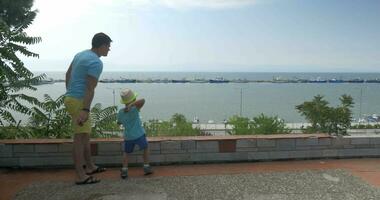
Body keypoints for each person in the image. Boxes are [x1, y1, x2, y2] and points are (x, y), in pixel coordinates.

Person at [64, 32, 112, 185]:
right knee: (79, 138)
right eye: (108, 46)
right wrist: (85, 109)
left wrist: (70, 93)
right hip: (79, 102)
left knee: (85, 135)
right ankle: (80, 175)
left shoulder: (81, 54)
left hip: (72, 98)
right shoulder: (96, 62)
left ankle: (90, 166)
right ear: (102, 45)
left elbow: (68, 74)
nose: (109, 50)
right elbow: (90, 88)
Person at [117, 88, 153, 179]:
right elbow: (143, 100)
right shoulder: (135, 108)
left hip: (128, 137)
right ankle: (146, 167)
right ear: (133, 100)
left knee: (126, 153)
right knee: (145, 148)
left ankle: (124, 170)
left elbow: (119, 122)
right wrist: (132, 105)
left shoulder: (121, 112)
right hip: (139, 135)